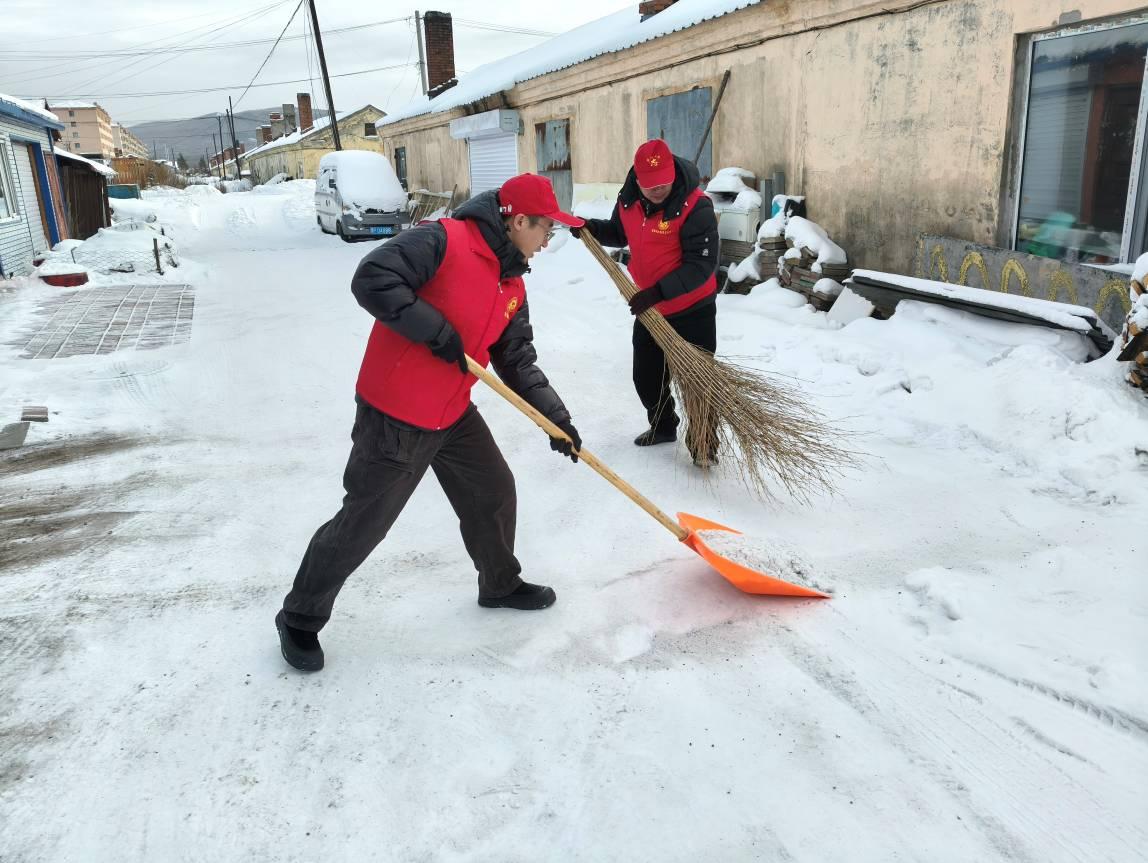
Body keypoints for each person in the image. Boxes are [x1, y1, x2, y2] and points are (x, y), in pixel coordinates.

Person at [275, 173, 584, 672]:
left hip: (452, 410)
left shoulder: (512, 281)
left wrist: (556, 419)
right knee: (365, 520)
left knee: (492, 491)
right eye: (546, 228)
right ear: (518, 221)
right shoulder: (444, 241)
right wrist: (434, 329)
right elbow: (372, 277)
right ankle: (299, 617)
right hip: (396, 413)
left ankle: (499, 583)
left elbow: (517, 359)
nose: (548, 240)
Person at [573, 139, 720, 465]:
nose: (658, 190)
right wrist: (591, 228)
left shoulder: (696, 206)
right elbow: (619, 232)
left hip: (692, 309)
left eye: (663, 183)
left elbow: (702, 265)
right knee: (647, 378)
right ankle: (664, 425)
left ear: (673, 173)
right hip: (651, 310)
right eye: (650, 184)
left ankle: (704, 444)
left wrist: (656, 292)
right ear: (637, 179)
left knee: (698, 382)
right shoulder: (628, 200)